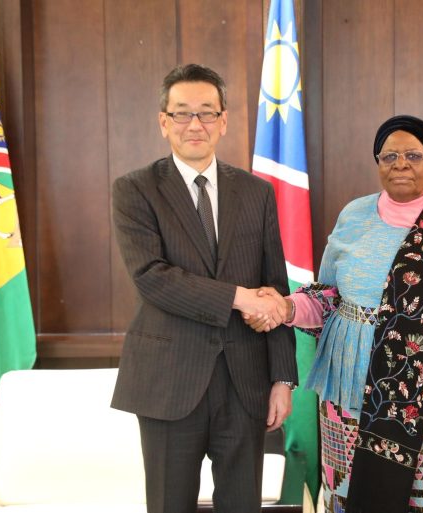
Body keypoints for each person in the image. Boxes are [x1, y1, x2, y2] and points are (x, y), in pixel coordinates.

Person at [245, 115, 423, 513]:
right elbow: (328, 299)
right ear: (377, 162)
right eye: (389, 156)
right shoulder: (353, 216)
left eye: (413, 155)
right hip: (347, 402)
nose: (400, 164)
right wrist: (286, 307)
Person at [111, 63, 298, 513]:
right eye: (182, 113)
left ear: (223, 120)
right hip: (169, 381)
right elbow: (152, 277)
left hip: (245, 380)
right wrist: (239, 297)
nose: (194, 124)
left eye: (207, 112)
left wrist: (282, 378)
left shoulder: (256, 192)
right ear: (164, 122)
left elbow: (275, 286)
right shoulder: (135, 190)